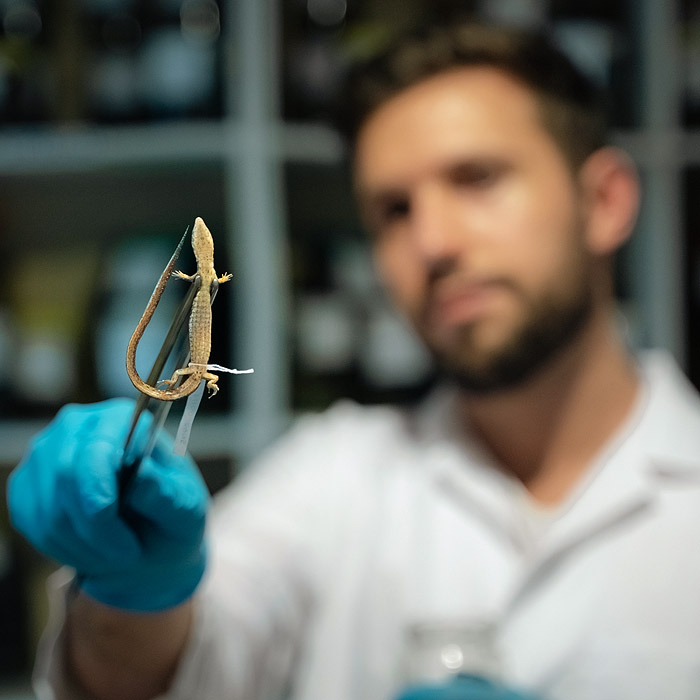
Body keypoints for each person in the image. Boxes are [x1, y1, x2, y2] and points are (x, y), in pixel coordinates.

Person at [8, 20, 700, 700]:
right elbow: (170, 674)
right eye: (393, 211)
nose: (432, 242)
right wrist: (135, 596)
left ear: (604, 201)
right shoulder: (331, 475)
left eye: (477, 178)